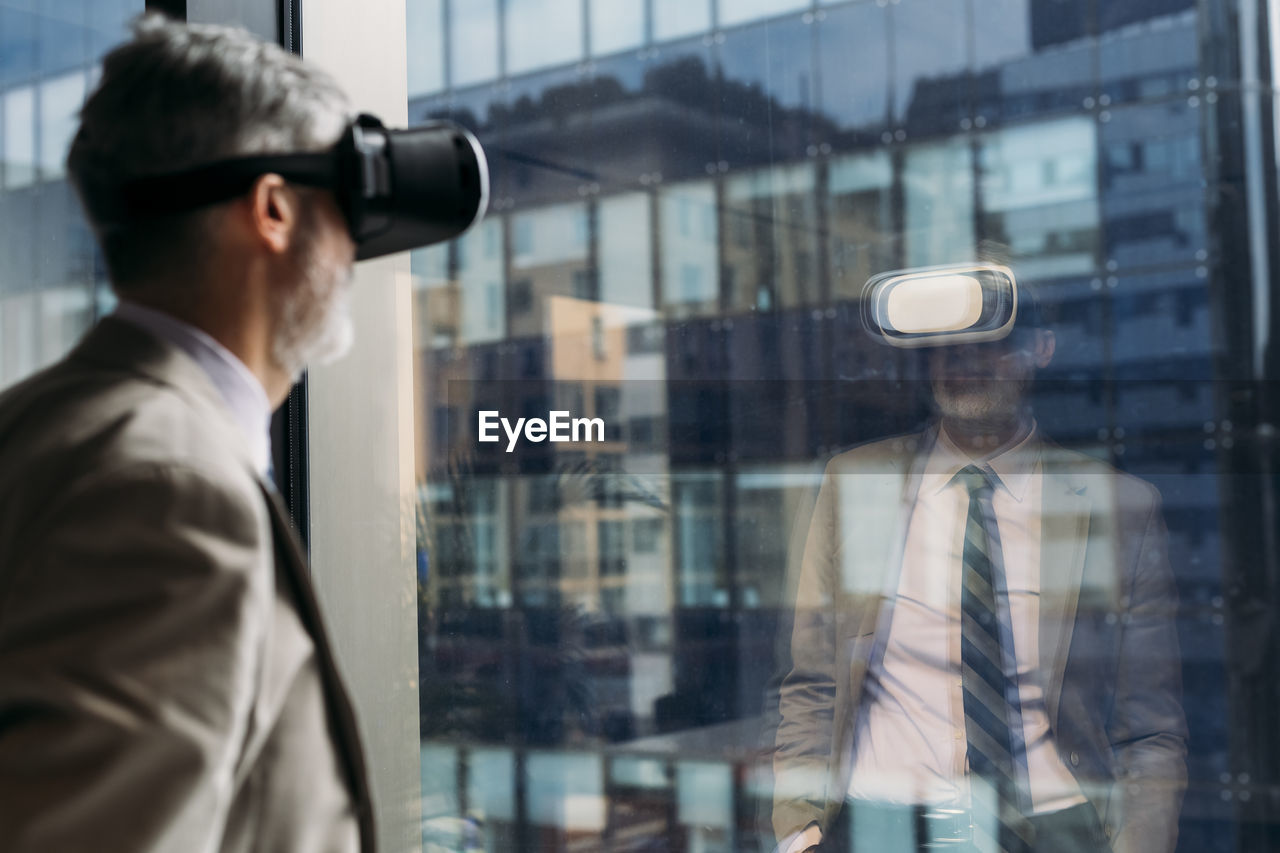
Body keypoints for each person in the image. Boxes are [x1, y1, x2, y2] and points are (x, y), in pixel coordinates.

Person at [0, 15, 371, 852]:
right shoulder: (169, 485)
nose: (356, 245)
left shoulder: (35, 422)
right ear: (273, 209)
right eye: (348, 198)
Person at [771, 273, 1187, 853]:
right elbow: (813, 680)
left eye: (989, 341)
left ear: (1042, 348)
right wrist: (799, 825)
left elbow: (1149, 728)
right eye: (947, 344)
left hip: (1055, 829)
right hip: (882, 824)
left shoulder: (1120, 507)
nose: (963, 360)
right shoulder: (853, 482)